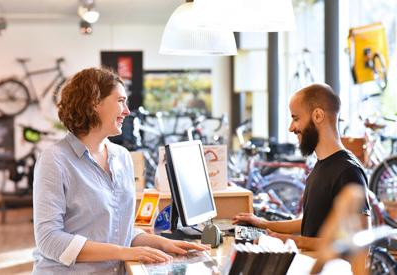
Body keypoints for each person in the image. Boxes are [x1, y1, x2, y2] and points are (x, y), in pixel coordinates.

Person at [32, 67, 209, 274]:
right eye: (120, 101)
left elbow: (116, 229)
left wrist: (160, 243)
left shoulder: (122, 156)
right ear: (94, 103)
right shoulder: (55, 160)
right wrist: (123, 252)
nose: (126, 110)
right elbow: (49, 239)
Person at [232, 83, 371, 251]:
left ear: (318, 115)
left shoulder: (347, 171)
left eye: (296, 118)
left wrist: (292, 241)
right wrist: (263, 224)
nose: (291, 127)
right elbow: (311, 223)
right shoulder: (322, 165)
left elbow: (359, 243)